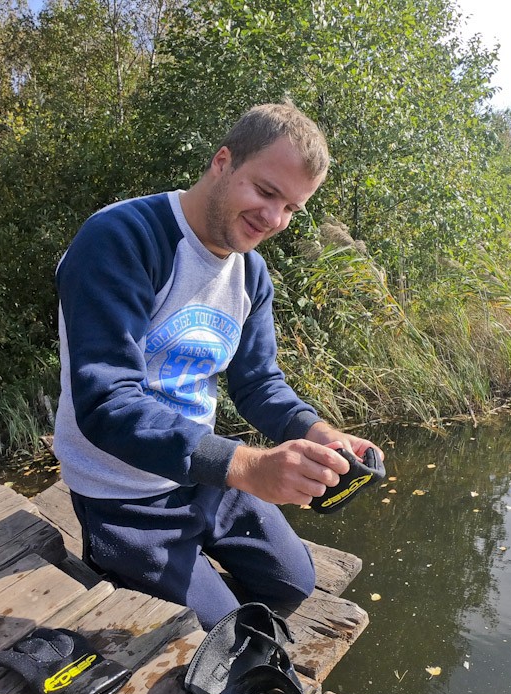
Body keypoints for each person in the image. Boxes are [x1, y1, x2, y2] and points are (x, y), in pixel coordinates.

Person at [53, 101, 383, 630]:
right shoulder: (122, 238)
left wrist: (323, 435)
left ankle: (201, 582)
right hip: (122, 495)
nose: (274, 219)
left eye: (292, 208)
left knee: (293, 583)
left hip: (204, 477)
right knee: (220, 636)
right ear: (222, 162)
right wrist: (250, 467)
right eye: (266, 191)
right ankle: (133, 570)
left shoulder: (251, 274)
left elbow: (258, 384)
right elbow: (106, 403)